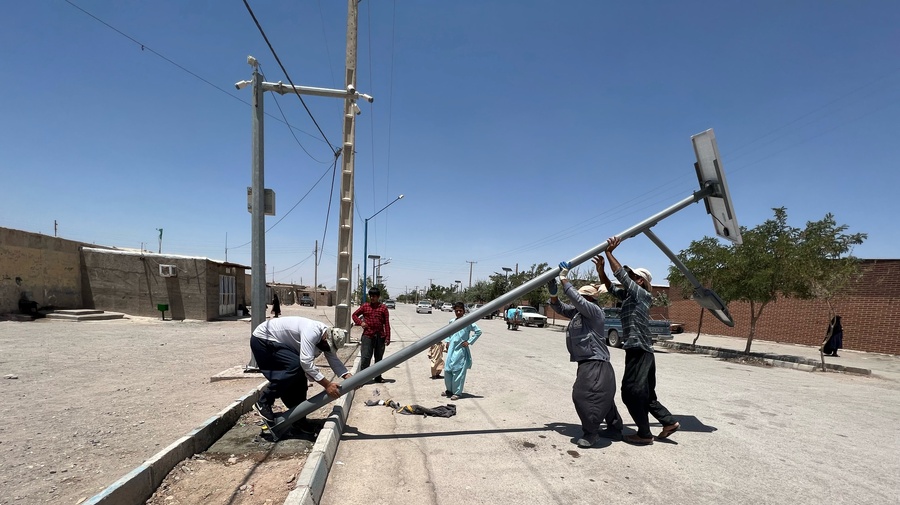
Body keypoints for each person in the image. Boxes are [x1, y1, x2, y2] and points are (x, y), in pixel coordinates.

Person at [599, 236, 679, 445]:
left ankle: (644, 434)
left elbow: (620, 278)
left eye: (632, 276)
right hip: (640, 350)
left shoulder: (641, 294)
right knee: (645, 393)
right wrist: (601, 271)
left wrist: (609, 253)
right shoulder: (628, 297)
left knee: (630, 392)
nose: (627, 277)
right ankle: (668, 422)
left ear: (640, 281)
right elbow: (611, 287)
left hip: (640, 350)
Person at [550, 256, 623, 448]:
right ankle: (615, 428)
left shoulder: (594, 311)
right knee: (602, 395)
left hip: (596, 362)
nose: (578, 301)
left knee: (585, 396)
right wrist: (553, 294)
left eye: (582, 297)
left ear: (589, 299)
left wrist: (564, 279)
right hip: (588, 362)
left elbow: (576, 299)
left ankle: (591, 433)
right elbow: (560, 307)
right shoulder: (578, 313)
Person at [249, 316, 351, 433]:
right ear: (326, 337)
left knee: (299, 378)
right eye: (327, 346)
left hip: (278, 344)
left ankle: (298, 419)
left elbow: (333, 360)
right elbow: (306, 362)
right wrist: (327, 385)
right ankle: (264, 401)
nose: (327, 349)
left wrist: (347, 376)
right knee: (296, 366)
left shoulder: (325, 339)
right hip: (263, 340)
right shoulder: (312, 331)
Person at [441, 301, 482, 400]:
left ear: (463, 311)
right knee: (447, 370)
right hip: (451, 349)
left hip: (461, 350)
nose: (458, 312)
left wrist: (469, 342)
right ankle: (449, 390)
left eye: (460, 311)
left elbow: (478, 331)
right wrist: (447, 341)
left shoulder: (468, 321)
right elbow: (448, 333)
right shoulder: (452, 322)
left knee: (458, 371)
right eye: (456, 311)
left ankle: (457, 392)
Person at [352, 287, 392, 383]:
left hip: (380, 336)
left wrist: (388, 337)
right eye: (370, 296)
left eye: (374, 296)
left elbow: (386, 323)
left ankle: (378, 377)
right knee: (365, 357)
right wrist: (360, 322)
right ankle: (362, 379)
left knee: (379, 358)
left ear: (378, 297)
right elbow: (354, 315)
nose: (372, 298)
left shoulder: (383, 308)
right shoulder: (365, 306)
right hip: (368, 336)